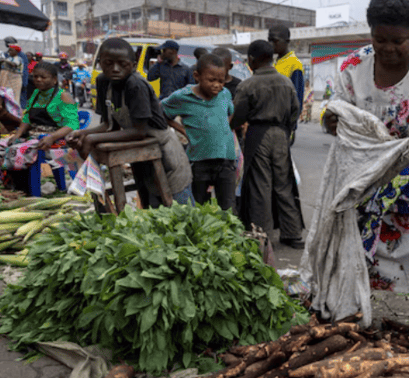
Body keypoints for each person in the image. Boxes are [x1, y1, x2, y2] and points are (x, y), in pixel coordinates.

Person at [321, 0, 409, 358]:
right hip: (366, 172)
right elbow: (335, 113)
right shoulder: (353, 66)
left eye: (398, 41)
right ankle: (353, 320)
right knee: (359, 243)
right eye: (379, 39)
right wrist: (332, 120)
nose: (388, 48)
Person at [68, 38, 193, 207]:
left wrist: (92, 139)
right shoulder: (103, 82)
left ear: (133, 65)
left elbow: (139, 131)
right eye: (108, 63)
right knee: (151, 202)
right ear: (99, 63)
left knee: (180, 208)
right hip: (139, 150)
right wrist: (82, 133)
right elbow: (109, 125)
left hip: (163, 149)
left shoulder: (135, 84)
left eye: (122, 64)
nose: (115, 69)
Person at [231, 40, 304, 248]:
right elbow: (294, 111)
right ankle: (292, 234)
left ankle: (262, 234)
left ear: (252, 60)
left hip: (258, 133)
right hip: (281, 134)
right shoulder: (286, 82)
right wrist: (286, 131)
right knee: (284, 184)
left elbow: (238, 116)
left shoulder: (248, 85)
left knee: (260, 185)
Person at [161, 53, 236, 211]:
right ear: (197, 76)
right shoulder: (183, 97)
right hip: (199, 161)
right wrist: (183, 130)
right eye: (211, 80)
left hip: (226, 160)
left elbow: (230, 112)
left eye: (221, 81)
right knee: (199, 207)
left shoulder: (225, 94)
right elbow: (161, 113)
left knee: (227, 208)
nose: (217, 85)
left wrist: (223, 129)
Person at [0, 62, 79, 190]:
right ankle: (13, 184)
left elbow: (72, 124)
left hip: (57, 139)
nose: (38, 79)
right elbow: (26, 119)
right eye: (35, 76)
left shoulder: (63, 96)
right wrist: (17, 135)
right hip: (34, 136)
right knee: (3, 146)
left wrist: (52, 137)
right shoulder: (36, 94)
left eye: (43, 77)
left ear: (54, 80)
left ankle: (27, 188)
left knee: (19, 151)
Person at [269, 25, 304, 115]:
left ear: (287, 41)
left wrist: (290, 125)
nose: (271, 44)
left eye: (275, 41)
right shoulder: (274, 63)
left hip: (284, 123)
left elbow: (297, 101)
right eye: (269, 40)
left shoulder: (295, 64)